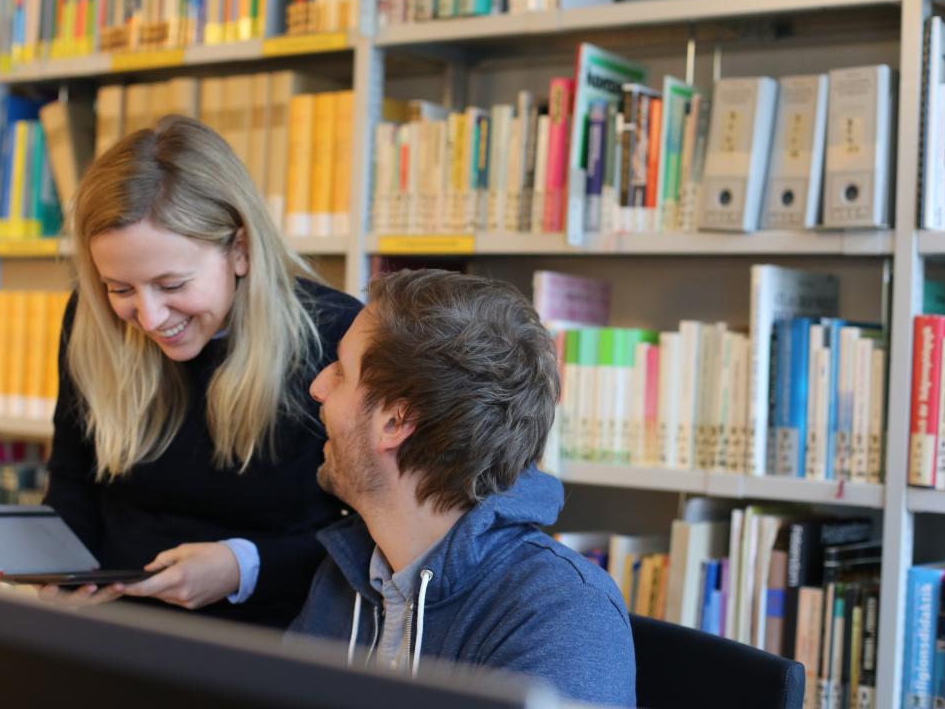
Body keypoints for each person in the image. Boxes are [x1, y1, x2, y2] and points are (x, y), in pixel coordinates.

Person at [40, 116, 362, 629]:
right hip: (113, 629)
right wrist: (55, 567)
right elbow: (73, 480)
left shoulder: (336, 337)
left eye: (172, 285)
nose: (150, 318)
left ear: (240, 251)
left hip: (270, 639)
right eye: (120, 288)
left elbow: (372, 536)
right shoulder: (91, 321)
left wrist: (244, 566)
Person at [287, 269, 636, 706]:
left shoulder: (564, 615)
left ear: (395, 421)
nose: (318, 387)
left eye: (341, 371)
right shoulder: (348, 570)